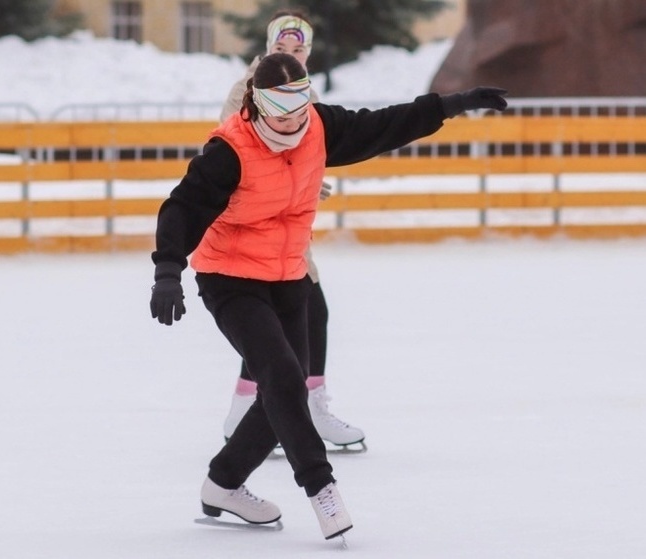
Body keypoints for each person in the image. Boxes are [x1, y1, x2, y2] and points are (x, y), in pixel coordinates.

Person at [150, 52, 507, 540]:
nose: (294, 120)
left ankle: (223, 483)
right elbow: (183, 207)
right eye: (283, 111)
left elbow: (383, 125)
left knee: (284, 392)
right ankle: (322, 489)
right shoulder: (230, 149)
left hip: (290, 276)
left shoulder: (318, 127)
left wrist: (449, 105)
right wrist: (168, 269)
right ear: (258, 104)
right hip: (230, 277)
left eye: (301, 107)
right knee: (280, 375)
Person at [219, 10, 366, 452]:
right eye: (282, 49)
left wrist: (309, 180)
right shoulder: (248, 90)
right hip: (254, 226)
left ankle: (273, 407)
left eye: (299, 49)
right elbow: (228, 151)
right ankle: (268, 409)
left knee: (298, 317)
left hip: (289, 227)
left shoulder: (305, 91)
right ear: (268, 49)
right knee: (287, 320)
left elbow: (307, 145)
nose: (291, 56)